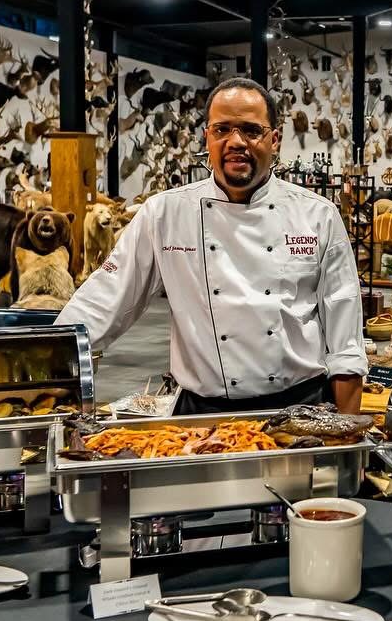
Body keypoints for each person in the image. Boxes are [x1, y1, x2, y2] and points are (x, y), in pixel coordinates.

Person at [56, 76, 367, 414]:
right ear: (207, 136)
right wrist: (43, 357)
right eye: (222, 130)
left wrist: (348, 441)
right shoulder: (165, 213)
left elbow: (345, 342)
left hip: (301, 408)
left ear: (275, 140)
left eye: (251, 130)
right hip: (200, 413)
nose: (236, 142)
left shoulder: (317, 215)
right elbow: (105, 299)